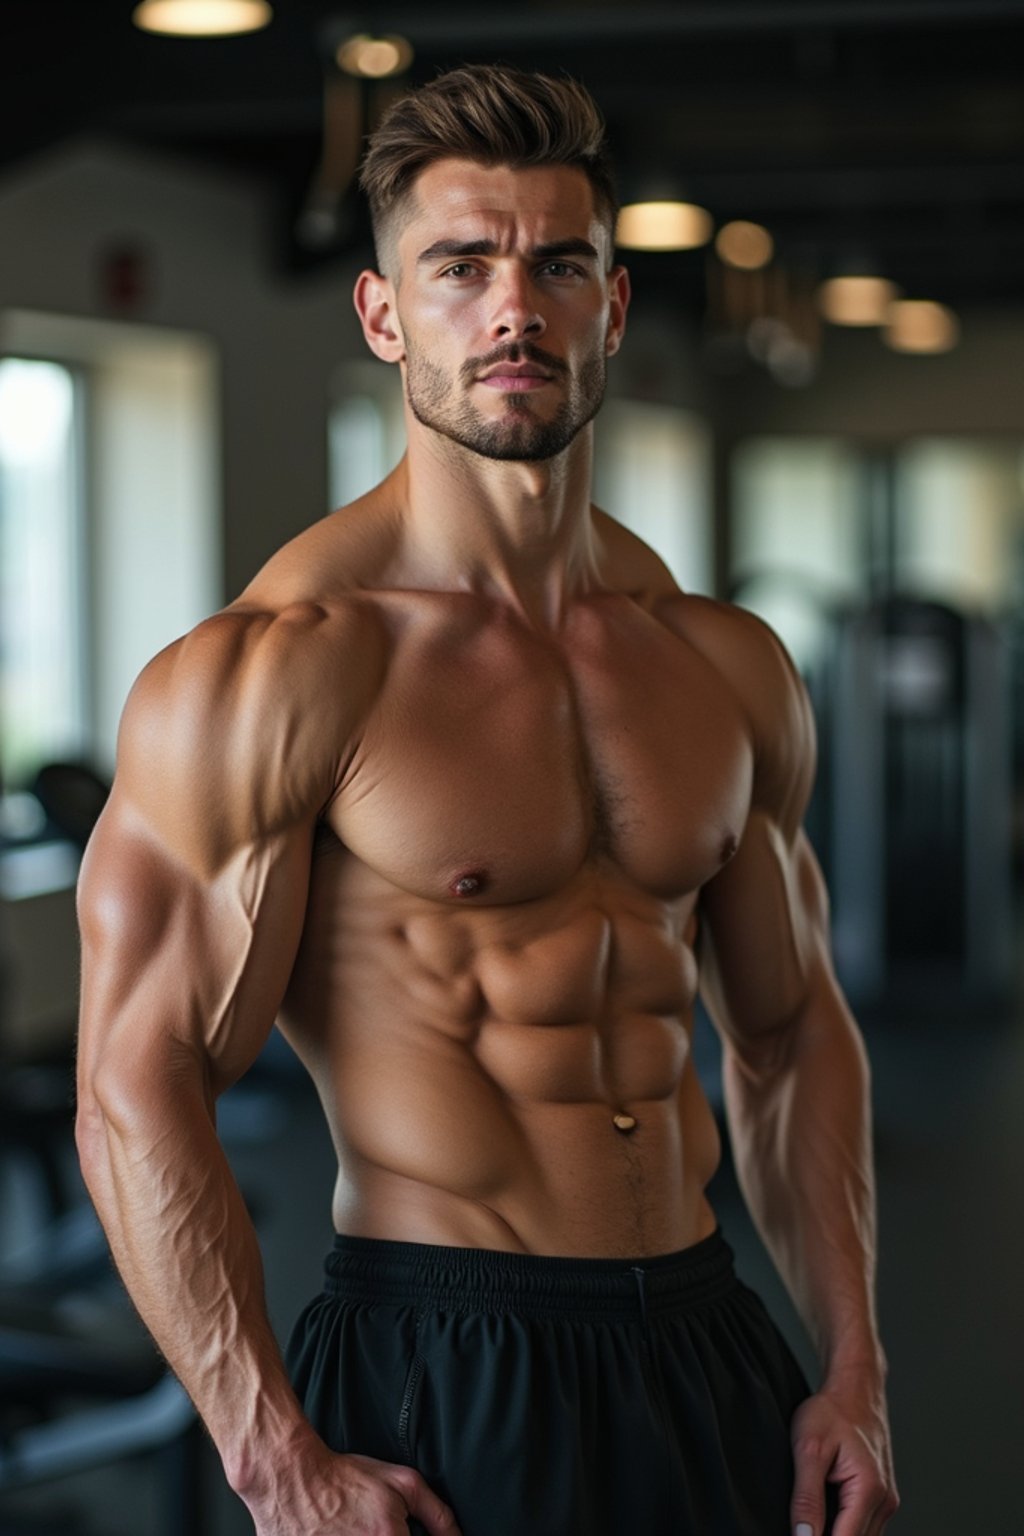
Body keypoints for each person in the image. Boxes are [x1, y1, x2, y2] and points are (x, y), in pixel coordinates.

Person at [75, 64, 898, 1536]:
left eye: (557, 264)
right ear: (388, 317)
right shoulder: (277, 672)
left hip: (709, 1338)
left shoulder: (722, 663)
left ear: (614, 306)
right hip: (438, 1359)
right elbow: (137, 1081)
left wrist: (856, 1364)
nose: (514, 309)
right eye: (461, 267)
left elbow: (786, 1032)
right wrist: (274, 1458)